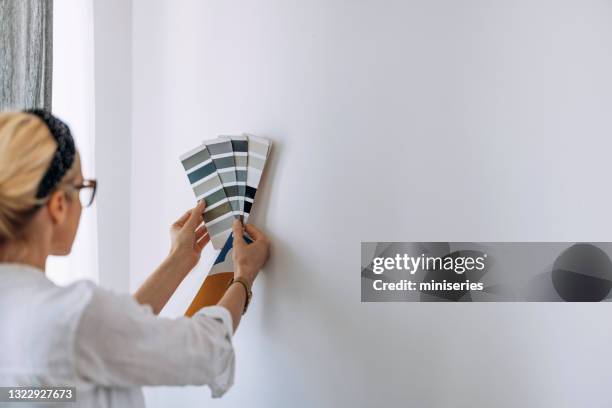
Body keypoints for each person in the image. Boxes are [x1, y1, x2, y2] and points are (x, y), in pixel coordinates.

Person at [0, 110, 271, 407]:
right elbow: (207, 349)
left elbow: (105, 344)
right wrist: (243, 277)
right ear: (57, 206)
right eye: (82, 188)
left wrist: (177, 261)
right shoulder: (73, 317)